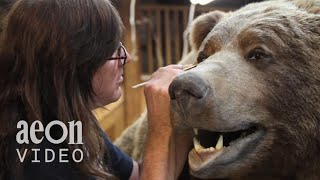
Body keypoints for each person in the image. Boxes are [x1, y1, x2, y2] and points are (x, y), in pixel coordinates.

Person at [0, 0, 192, 179]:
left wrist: (185, 115)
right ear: (74, 63)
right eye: (112, 51)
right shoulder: (35, 155)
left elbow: (139, 175)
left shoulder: (69, 119)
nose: (126, 58)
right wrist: (160, 125)